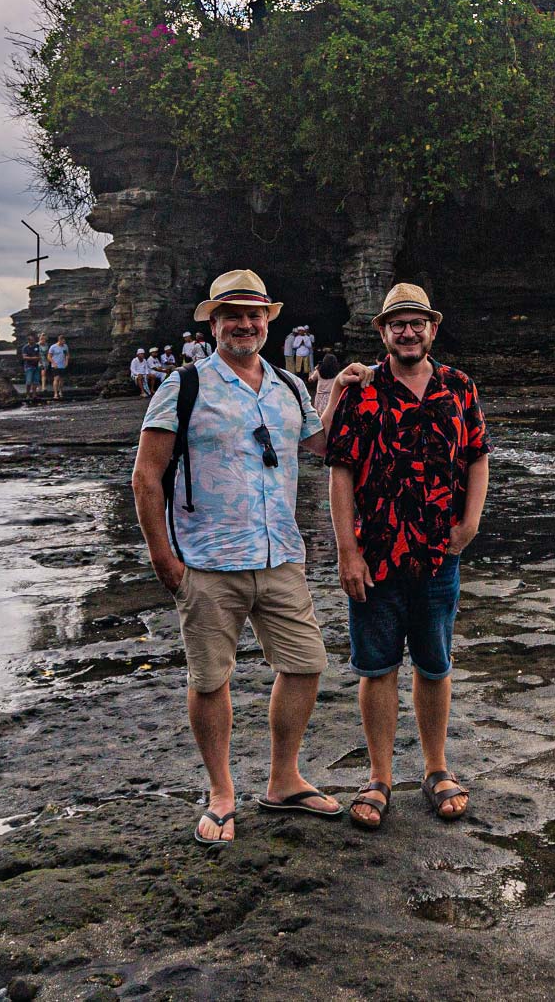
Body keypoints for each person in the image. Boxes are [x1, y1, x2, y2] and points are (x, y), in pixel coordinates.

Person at [130, 268, 355, 844]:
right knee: (211, 679)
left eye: (255, 315)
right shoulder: (183, 386)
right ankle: (222, 793)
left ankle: (284, 780)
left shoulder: (287, 385)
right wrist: (164, 558)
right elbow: (146, 477)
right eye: (233, 315)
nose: (246, 324)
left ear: (267, 323)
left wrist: (344, 395)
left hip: (280, 553)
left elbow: (319, 445)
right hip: (207, 560)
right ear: (213, 323)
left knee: (306, 664)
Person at [326, 283, 490, 831]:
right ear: (383, 332)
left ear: (432, 329)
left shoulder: (458, 387)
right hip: (374, 557)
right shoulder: (362, 391)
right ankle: (378, 777)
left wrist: (468, 524)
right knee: (377, 668)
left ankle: (437, 769)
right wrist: (347, 552)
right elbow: (340, 468)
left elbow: (477, 457)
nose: (407, 330)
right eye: (397, 322)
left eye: (416, 321)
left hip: (438, 555)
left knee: (434, 664)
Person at [46, 335, 69, 401]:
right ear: (59, 340)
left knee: (61, 379)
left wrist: (66, 362)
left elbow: (67, 354)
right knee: (56, 378)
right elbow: (49, 356)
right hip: (55, 365)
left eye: (64, 341)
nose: (64, 342)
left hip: (63, 365)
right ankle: (55, 393)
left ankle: (60, 391)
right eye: (63, 340)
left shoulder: (65, 346)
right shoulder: (53, 347)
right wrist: (53, 363)